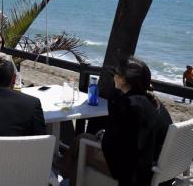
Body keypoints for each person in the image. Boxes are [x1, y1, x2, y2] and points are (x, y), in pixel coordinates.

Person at [62, 57, 173, 186]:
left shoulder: (128, 105)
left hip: (135, 173)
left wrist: (104, 136)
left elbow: (115, 148)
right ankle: (68, 179)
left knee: (82, 145)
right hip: (159, 170)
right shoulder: (155, 103)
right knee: (83, 139)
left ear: (123, 79)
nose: (113, 77)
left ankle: (67, 178)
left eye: (115, 74)